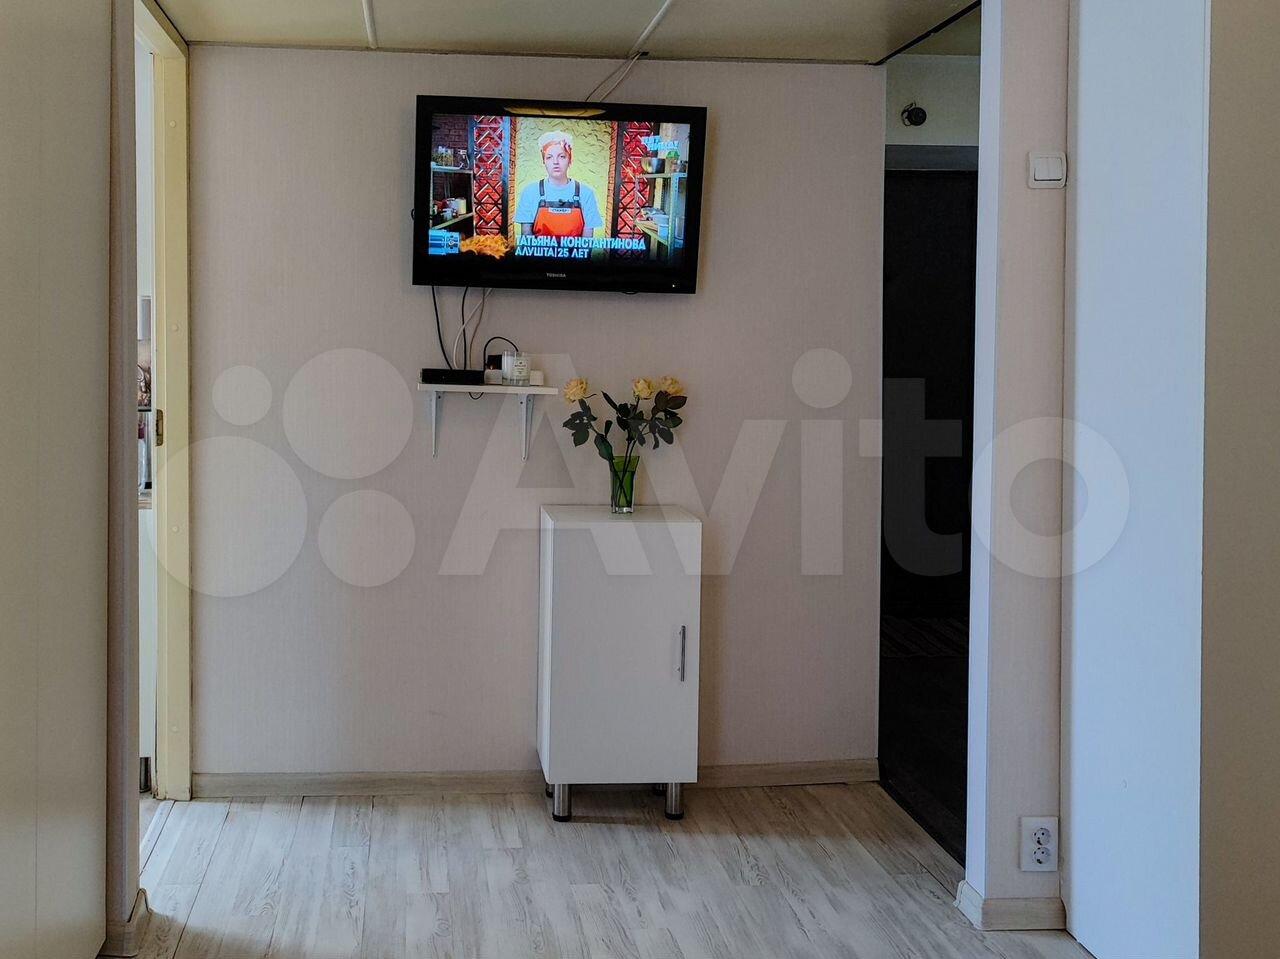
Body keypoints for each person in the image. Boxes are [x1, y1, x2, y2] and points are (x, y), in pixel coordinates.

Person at [515, 131, 603, 239]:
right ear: (543, 160)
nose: (555, 162)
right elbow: (526, 239)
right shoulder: (530, 192)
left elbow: (587, 242)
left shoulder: (586, 193)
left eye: (561, 156)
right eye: (549, 157)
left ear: (570, 159)